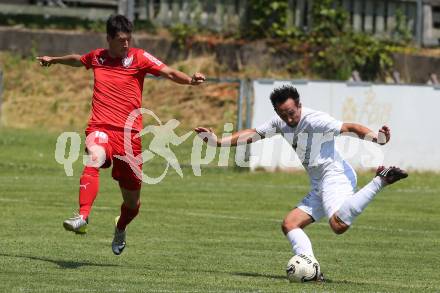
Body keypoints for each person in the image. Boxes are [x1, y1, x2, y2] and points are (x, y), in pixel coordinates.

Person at [195, 85, 407, 280]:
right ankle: (311, 269)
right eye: (282, 114)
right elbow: (253, 134)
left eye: (291, 113)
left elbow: (350, 127)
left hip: (336, 177)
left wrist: (377, 139)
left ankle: (381, 180)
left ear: (299, 105)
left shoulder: (314, 120)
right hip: (318, 183)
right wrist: (218, 142)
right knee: (290, 224)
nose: (288, 119)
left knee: (338, 225)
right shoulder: (279, 122)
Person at [37, 14, 205, 255]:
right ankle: (82, 217)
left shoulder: (139, 57)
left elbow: (168, 71)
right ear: (109, 39)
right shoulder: (98, 57)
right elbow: (78, 59)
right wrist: (53, 60)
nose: (126, 44)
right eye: (120, 40)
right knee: (93, 157)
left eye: (128, 39)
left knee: (132, 203)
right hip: (101, 127)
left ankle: (121, 226)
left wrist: (190, 80)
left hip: (129, 137)